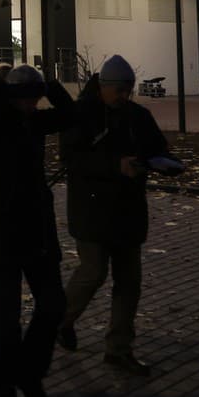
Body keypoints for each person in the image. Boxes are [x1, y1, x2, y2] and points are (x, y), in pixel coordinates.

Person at [57, 54, 173, 377]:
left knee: (129, 282)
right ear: (103, 87)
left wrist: (161, 162)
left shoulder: (137, 116)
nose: (124, 96)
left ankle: (119, 349)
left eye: (128, 90)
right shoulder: (83, 115)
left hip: (127, 210)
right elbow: (71, 159)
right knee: (93, 272)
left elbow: (158, 147)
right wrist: (115, 166)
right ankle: (61, 320)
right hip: (92, 210)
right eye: (119, 90)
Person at [0, 65, 75, 397]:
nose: (32, 105)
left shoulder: (33, 122)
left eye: (36, 99)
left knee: (53, 304)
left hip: (35, 229)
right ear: (9, 95)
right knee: (6, 317)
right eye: (25, 99)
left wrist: (50, 84)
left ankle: (29, 373)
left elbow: (71, 115)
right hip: (0, 231)